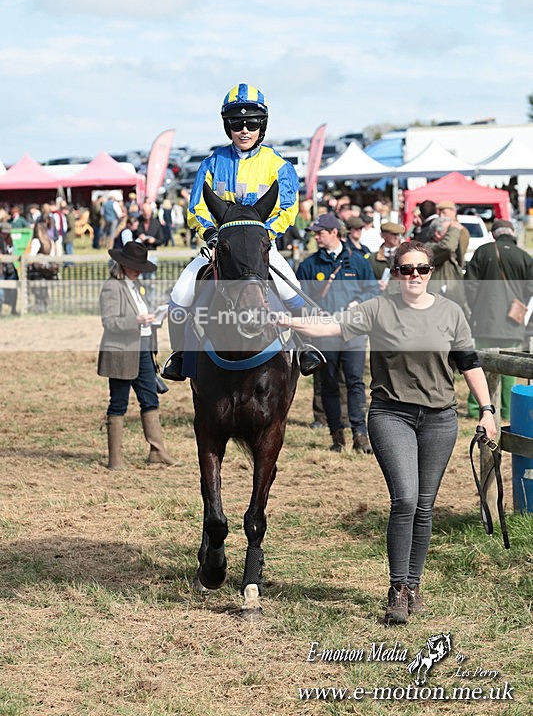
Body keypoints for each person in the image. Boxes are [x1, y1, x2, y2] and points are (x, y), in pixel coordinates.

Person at [280, 241, 497, 624]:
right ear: (394, 273)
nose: (414, 276)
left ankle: (414, 585)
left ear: (431, 272)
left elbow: (469, 363)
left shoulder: (451, 313)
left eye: (422, 269)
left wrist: (487, 410)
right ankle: (397, 588)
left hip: (440, 419)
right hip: (390, 414)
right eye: (406, 269)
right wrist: (286, 321)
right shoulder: (378, 308)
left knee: (425, 506)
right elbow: (332, 326)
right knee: (407, 498)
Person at [161, 82, 324, 381]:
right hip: (220, 245)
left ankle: (305, 347)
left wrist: (266, 235)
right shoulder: (211, 163)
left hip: (262, 245)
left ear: (262, 125)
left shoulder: (279, 165)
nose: (244, 129)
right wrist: (210, 232)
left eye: (251, 123)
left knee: (292, 292)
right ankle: (180, 354)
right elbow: (196, 206)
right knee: (180, 294)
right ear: (228, 126)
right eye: (237, 123)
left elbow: (287, 207)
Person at [296, 212, 378, 453]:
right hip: (324, 334)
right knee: (329, 384)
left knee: (355, 383)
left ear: (334, 233)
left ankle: (360, 434)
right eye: (314, 234)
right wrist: (312, 312)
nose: (316, 238)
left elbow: (373, 291)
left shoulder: (359, 260)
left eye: (320, 233)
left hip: (353, 333)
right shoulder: (309, 264)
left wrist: (358, 303)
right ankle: (336, 436)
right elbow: (299, 299)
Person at [97, 241, 177, 470]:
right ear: (122, 265)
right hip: (122, 352)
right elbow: (110, 322)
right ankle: (115, 459)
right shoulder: (112, 287)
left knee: (150, 398)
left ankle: (157, 451)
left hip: (143, 349)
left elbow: (141, 315)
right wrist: (137, 321)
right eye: (135, 266)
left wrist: (155, 318)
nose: (139, 270)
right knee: (119, 402)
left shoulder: (136, 284)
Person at [465, 219, 533, 420]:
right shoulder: (524, 256)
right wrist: (520, 303)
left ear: (494, 234)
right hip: (513, 320)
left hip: (484, 319)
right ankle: (506, 409)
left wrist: (476, 306)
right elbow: (530, 288)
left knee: (479, 365)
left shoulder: (483, 251)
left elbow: (469, 284)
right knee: (509, 368)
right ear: (512, 234)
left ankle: (476, 408)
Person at [436, 200, 470, 268]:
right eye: (439, 214)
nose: (441, 216)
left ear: (454, 212)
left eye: (444, 213)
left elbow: (460, 254)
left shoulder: (461, 230)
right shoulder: (442, 227)